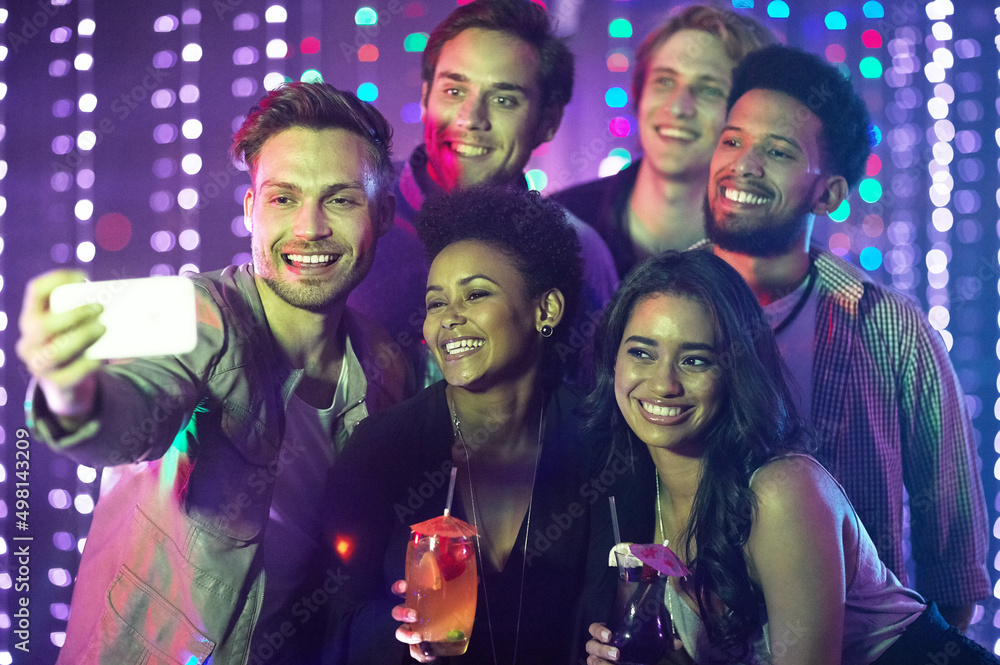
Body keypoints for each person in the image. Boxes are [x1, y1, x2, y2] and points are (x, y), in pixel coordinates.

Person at [15, 82, 408, 665]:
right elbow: (132, 417)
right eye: (283, 198)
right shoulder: (201, 314)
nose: (310, 227)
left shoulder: (383, 364)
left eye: (342, 200)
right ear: (251, 209)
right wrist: (71, 393)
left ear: (382, 213)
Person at [582, 251, 1000, 665]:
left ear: (735, 371)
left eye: (695, 360)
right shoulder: (634, 494)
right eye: (641, 352)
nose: (663, 383)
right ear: (613, 358)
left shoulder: (782, 492)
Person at [697, 44, 989, 630]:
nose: (743, 166)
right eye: (732, 141)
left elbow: (951, 554)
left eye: (777, 152)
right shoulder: (652, 309)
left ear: (827, 194)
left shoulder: (890, 329)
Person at [323, 185, 637, 665]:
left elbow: (619, 616)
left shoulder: (602, 443)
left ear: (545, 310)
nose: (449, 319)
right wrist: (397, 629)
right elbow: (332, 626)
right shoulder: (382, 448)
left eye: (475, 295)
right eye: (435, 303)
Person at [347, 0, 619, 386]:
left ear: (548, 121)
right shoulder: (353, 209)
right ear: (426, 98)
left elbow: (594, 410)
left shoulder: (580, 253)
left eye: (504, 99)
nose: (472, 119)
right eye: (455, 90)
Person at [552, 5, 775, 279]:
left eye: (709, 89)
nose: (679, 107)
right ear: (640, 94)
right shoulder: (559, 222)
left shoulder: (764, 248)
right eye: (665, 82)